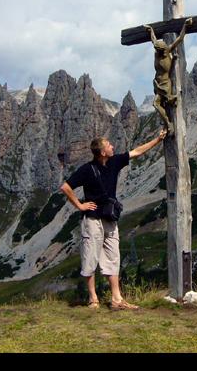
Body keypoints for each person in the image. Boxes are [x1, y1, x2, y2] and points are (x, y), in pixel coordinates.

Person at [59, 128, 168, 310]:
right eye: (109, 145)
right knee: (90, 257)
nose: (113, 146)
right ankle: (93, 298)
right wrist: (80, 205)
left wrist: (157, 140)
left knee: (112, 256)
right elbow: (65, 187)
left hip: (110, 218)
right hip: (92, 219)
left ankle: (117, 299)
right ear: (102, 152)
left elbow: (137, 151)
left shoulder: (115, 161)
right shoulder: (87, 169)